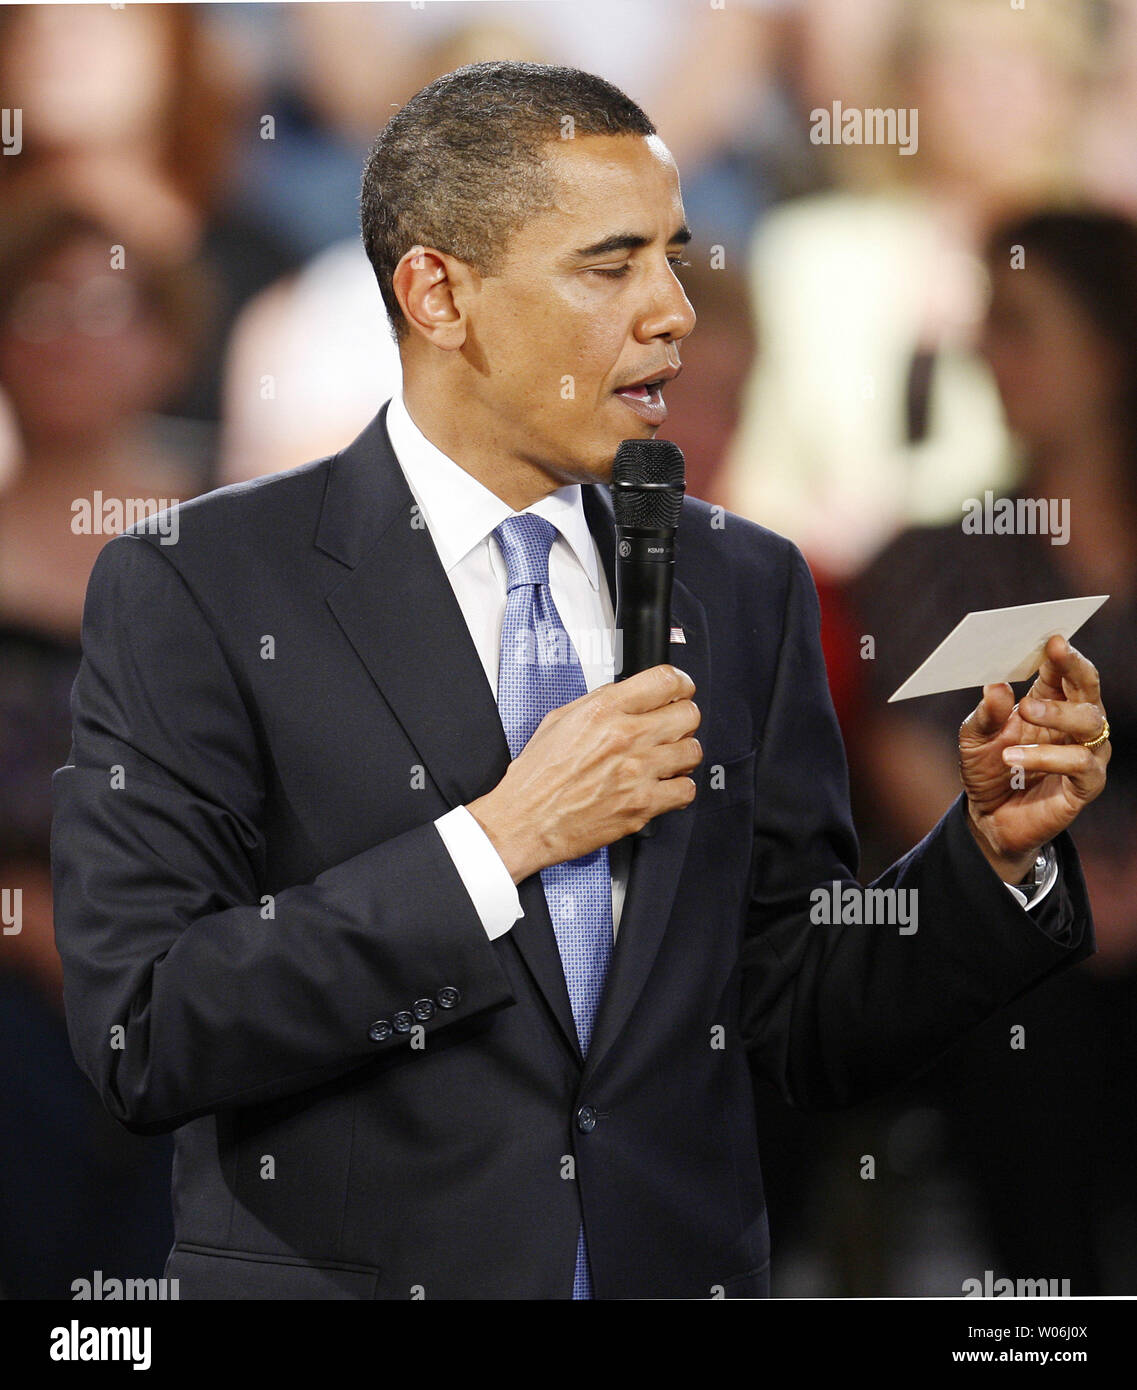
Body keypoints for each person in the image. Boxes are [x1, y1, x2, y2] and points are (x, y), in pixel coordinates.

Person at [51, 62, 1109, 1301]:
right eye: (611, 266)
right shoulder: (203, 584)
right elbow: (149, 1029)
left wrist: (989, 854)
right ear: (438, 292)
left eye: (672, 255)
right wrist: (500, 843)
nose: (671, 311)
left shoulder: (743, 584)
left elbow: (794, 1018)